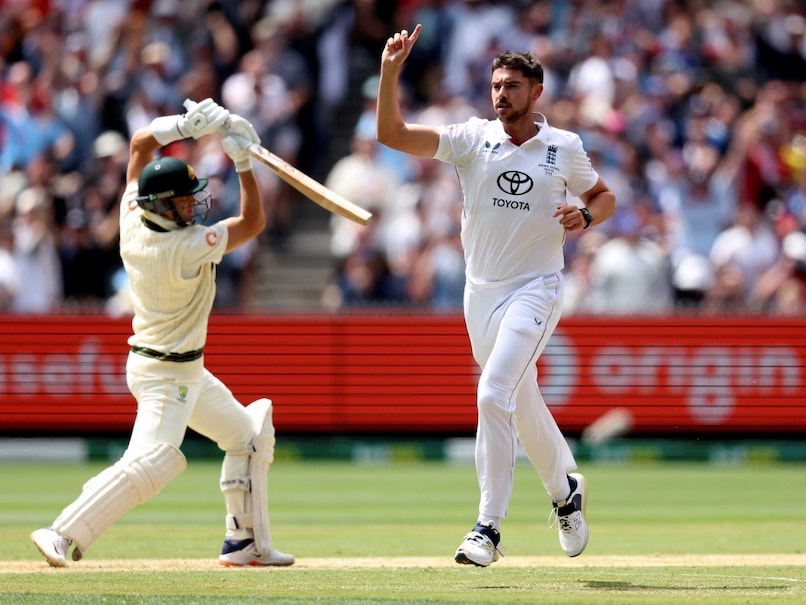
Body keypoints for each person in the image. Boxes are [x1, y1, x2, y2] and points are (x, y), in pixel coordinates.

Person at [377, 25, 615, 566]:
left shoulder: (563, 147)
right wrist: (391, 70)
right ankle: (565, 491)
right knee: (520, 398)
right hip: (479, 294)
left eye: (511, 85)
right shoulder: (471, 138)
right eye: (495, 85)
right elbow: (392, 134)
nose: (500, 94)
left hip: (537, 288)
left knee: (492, 394)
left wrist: (586, 215)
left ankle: (488, 528)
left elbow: (603, 195)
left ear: (536, 92)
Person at [30, 98, 294, 568]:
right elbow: (254, 222)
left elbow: (138, 143)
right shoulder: (187, 247)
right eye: (185, 200)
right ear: (163, 205)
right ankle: (61, 530)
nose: (195, 205)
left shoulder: (132, 215)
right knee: (156, 460)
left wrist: (184, 125)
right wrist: (243, 162)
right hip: (166, 377)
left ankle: (243, 543)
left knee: (248, 436)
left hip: (182, 370)